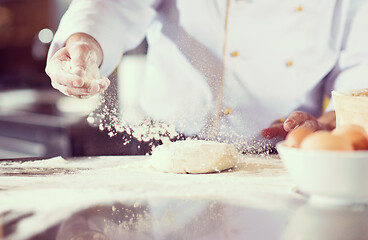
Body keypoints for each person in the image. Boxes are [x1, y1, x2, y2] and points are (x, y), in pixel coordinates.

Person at [46, 0, 368, 152]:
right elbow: (113, 6)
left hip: (283, 154)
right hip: (164, 146)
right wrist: (85, 42)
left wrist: (337, 120)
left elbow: (361, 60)